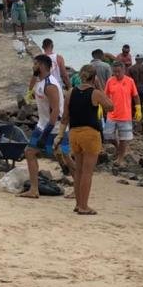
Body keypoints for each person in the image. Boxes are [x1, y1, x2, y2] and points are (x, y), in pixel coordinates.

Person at [58, 64, 114, 214]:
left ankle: (78, 203)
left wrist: (59, 134)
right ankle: (84, 206)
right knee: (87, 173)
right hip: (90, 133)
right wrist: (100, 89)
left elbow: (65, 117)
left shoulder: (70, 92)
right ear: (94, 78)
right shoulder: (95, 93)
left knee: (79, 171)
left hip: (74, 133)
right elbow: (110, 106)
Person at [19, 54, 70, 199]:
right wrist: (33, 78)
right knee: (29, 152)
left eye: (35, 64)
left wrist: (46, 133)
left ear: (41, 65)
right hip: (41, 125)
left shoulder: (50, 85)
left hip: (54, 128)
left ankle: (77, 187)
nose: (32, 66)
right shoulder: (40, 81)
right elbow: (32, 85)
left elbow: (55, 110)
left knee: (67, 157)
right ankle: (34, 189)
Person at [104, 62, 142, 167]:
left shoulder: (130, 81)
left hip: (125, 115)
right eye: (114, 71)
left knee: (123, 138)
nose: (116, 74)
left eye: (118, 71)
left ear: (123, 70)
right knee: (108, 135)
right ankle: (118, 148)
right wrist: (100, 107)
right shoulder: (110, 81)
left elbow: (135, 96)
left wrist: (138, 109)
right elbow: (105, 95)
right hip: (111, 114)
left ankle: (120, 158)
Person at [128, 54, 143, 133]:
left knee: (134, 107)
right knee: (142, 108)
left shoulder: (131, 68)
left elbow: (128, 81)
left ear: (136, 60)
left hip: (134, 90)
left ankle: (133, 126)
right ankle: (140, 125)